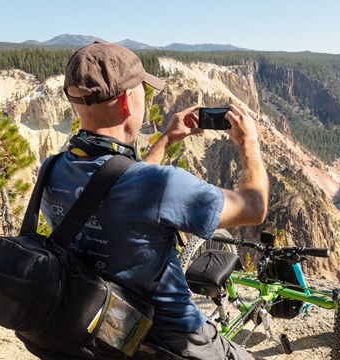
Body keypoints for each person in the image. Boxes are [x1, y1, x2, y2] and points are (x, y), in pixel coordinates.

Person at [40, 41, 268, 359]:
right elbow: (254, 207)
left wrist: (166, 139)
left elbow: (118, 188)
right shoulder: (162, 185)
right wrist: (250, 144)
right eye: (142, 91)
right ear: (126, 101)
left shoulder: (51, 169)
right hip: (172, 339)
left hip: (103, 328)